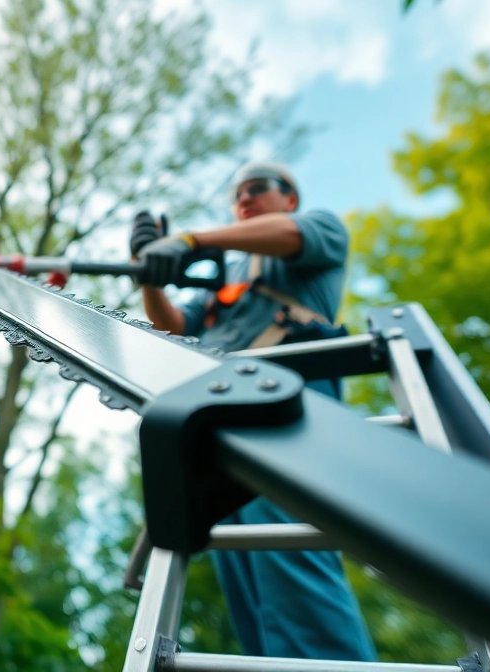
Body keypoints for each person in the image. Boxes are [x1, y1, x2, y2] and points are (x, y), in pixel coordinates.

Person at [131, 160, 377, 662]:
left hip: (284, 406)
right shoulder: (227, 286)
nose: (245, 197)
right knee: (246, 586)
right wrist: (148, 273)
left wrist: (192, 241)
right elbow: (175, 326)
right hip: (220, 422)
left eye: (259, 188)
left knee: (292, 569)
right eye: (237, 193)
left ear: (289, 197)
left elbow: (285, 235)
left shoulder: (315, 231)